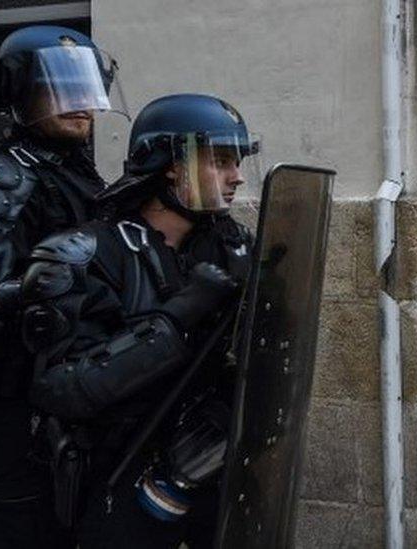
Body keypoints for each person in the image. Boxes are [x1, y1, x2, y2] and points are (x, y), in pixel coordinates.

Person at [20, 93, 258, 548]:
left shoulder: (232, 247)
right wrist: (176, 317)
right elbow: (60, 389)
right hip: (118, 478)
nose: (237, 176)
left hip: (209, 466)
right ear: (171, 165)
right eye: (221, 161)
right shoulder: (84, 254)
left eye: (239, 160)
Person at [0, 25, 127, 549]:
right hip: (8, 404)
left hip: (75, 397)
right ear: (21, 94)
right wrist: (45, 288)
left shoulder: (84, 177)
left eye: (87, 87)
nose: (82, 103)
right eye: (63, 86)